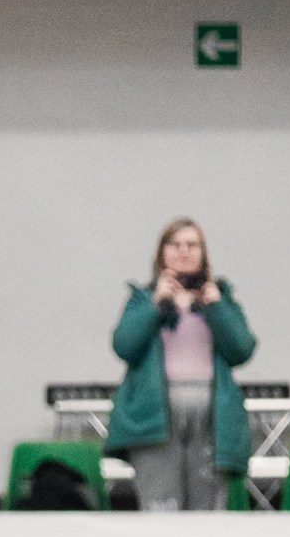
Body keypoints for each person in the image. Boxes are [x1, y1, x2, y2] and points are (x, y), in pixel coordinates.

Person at [106, 219, 258, 511]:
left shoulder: (221, 298)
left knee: (208, 507)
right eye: (174, 244)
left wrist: (217, 307)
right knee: (160, 505)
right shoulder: (142, 298)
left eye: (192, 244)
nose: (183, 251)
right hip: (155, 414)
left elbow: (242, 349)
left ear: (204, 252)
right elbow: (124, 345)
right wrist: (155, 304)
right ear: (161, 252)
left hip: (212, 414)